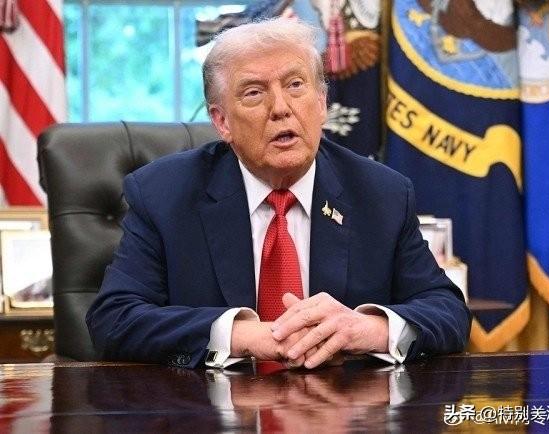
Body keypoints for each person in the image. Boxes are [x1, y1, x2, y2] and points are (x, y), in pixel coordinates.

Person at [86, 18, 471, 369]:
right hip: (212, 409)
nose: (281, 108)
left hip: (345, 409)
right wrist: (239, 335)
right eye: (254, 93)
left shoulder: (381, 194)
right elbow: (114, 318)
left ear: (321, 103)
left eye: (295, 85)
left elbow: (447, 310)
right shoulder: (163, 195)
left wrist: (367, 329)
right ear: (222, 121)